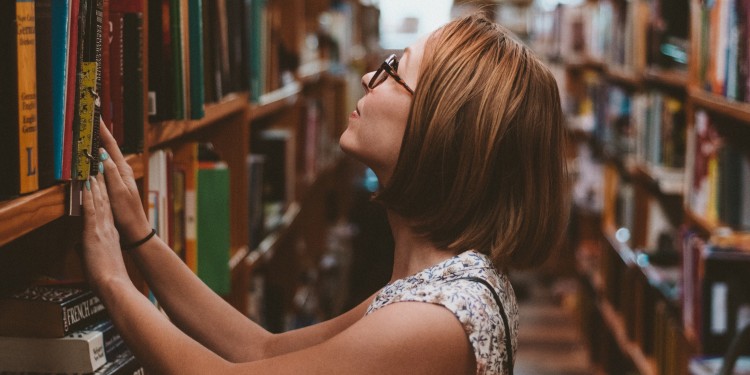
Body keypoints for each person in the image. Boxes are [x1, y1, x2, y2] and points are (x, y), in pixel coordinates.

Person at [81, 13, 568, 375]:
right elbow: (262, 351)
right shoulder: (440, 282)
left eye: (393, 71)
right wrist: (141, 238)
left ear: (442, 130)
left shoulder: (433, 319)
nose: (367, 77)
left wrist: (111, 280)